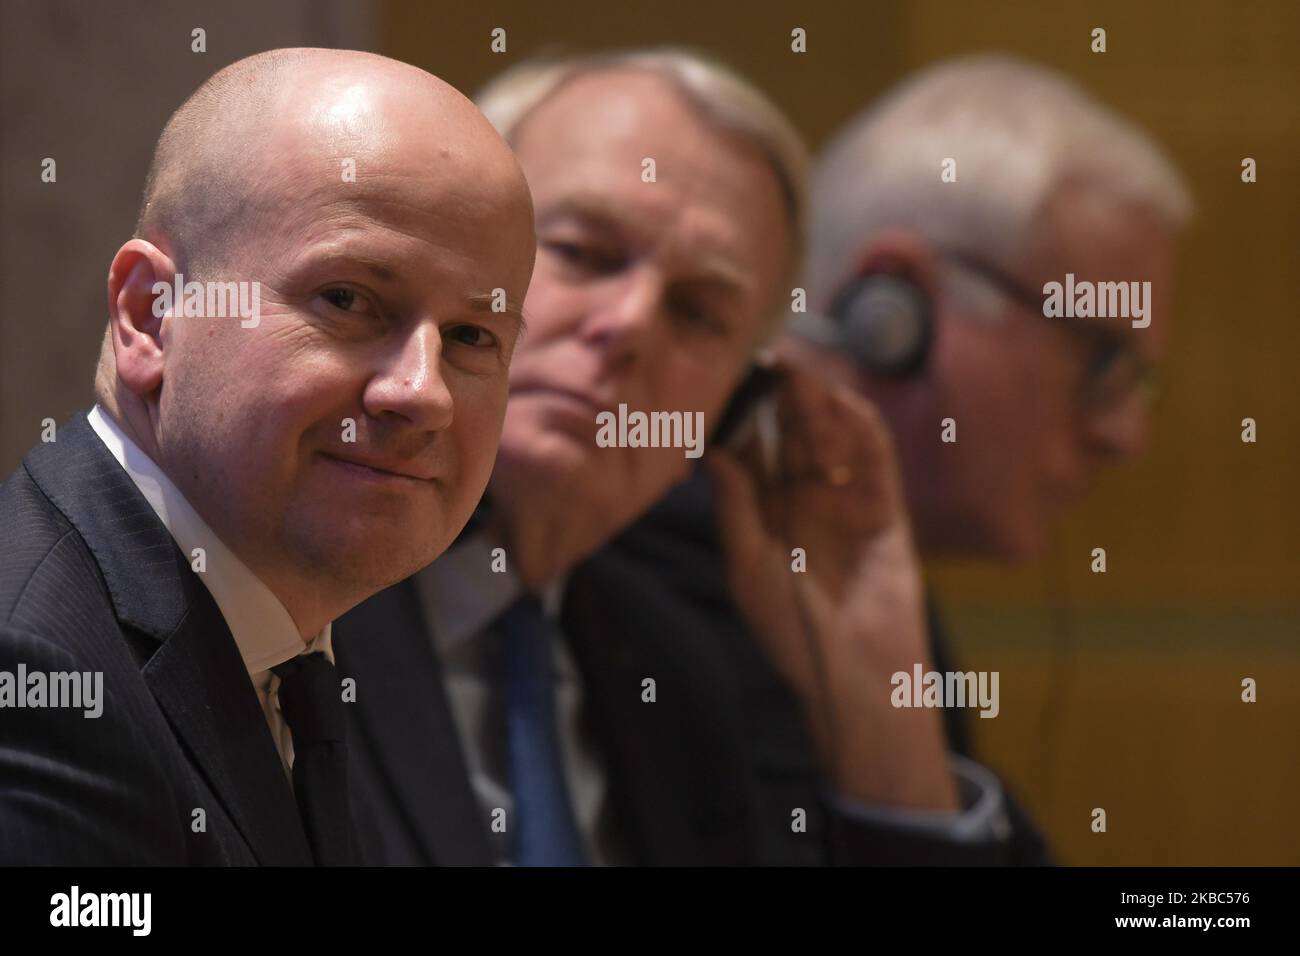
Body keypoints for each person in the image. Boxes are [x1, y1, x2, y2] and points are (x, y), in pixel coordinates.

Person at [337, 49, 1022, 866]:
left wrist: (872, 702)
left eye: (699, 312)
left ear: (729, 410)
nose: (629, 324)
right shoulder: (287, 597)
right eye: (584, 252)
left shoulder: (682, 676)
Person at [615, 54, 1193, 863]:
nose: (1124, 435)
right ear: (895, 309)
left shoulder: (856, 563)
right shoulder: (661, 559)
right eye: (1101, 360)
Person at [0, 47, 536, 865]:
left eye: (471, 336)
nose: (422, 392)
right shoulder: (35, 677)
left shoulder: (303, 651)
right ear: (151, 315)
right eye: (349, 300)